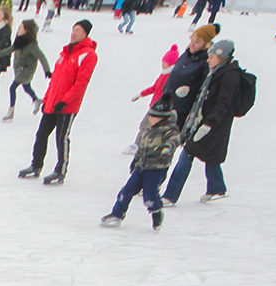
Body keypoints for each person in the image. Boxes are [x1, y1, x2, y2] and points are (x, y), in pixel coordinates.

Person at [163, 38, 242, 204]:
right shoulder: (215, 71)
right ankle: (217, 188)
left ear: (222, 57)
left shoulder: (229, 76)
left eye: (211, 57)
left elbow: (223, 103)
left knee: (187, 155)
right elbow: (204, 94)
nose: (208, 60)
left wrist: (209, 124)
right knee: (211, 157)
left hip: (213, 125)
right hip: (203, 121)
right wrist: (188, 91)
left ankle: (170, 196)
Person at [18, 18, 96, 185]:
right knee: (41, 134)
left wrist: (65, 101)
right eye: (73, 29)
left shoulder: (88, 55)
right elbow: (55, 81)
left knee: (62, 137)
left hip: (68, 106)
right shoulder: (65, 53)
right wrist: (47, 99)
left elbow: (81, 84)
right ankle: (36, 165)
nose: (74, 33)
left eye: (78, 31)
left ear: (85, 34)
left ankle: (60, 170)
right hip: (53, 102)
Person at [100, 97, 178, 229]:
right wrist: (136, 159)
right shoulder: (148, 130)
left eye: (155, 117)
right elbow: (142, 146)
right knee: (126, 191)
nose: (151, 118)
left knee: (150, 195)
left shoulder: (169, 130)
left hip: (156, 168)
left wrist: (166, 148)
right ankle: (117, 214)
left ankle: (157, 212)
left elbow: (174, 141)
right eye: (150, 115)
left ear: (163, 118)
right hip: (142, 166)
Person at [0, 18, 49, 121]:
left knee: (12, 88)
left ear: (26, 31)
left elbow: (41, 57)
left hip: (26, 71)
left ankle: (11, 112)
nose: (18, 29)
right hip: (19, 69)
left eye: (20, 27)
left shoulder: (31, 45)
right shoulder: (20, 41)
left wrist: (47, 70)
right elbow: (10, 49)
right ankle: (36, 100)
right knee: (26, 87)